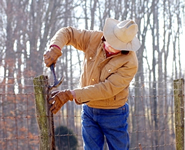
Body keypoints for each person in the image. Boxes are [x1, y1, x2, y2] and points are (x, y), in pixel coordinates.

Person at [44, 18, 141, 150]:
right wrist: (55, 47)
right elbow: (69, 33)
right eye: (109, 40)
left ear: (124, 47)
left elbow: (106, 89)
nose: (108, 45)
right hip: (89, 110)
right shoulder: (94, 38)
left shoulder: (130, 62)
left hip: (114, 114)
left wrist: (71, 94)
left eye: (114, 45)